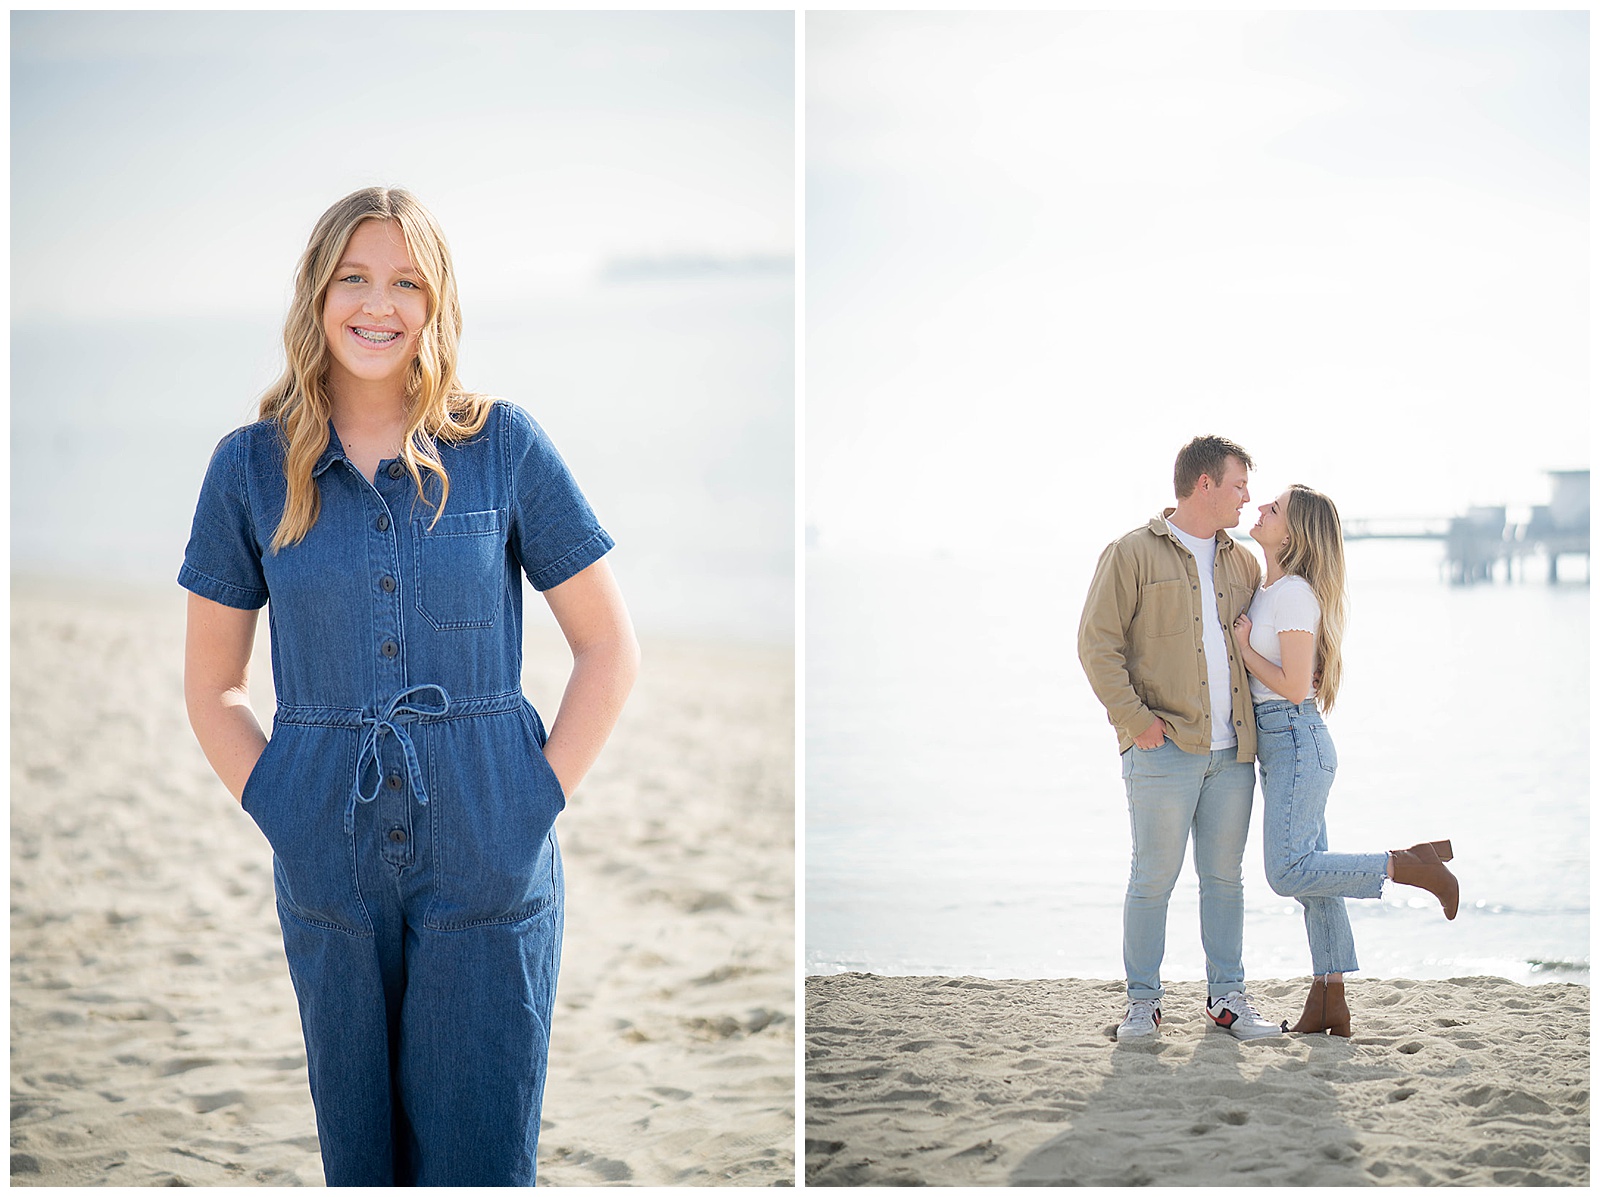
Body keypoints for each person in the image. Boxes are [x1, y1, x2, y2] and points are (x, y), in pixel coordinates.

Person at [180, 187, 640, 1184]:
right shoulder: (249, 469)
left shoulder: (503, 446)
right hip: (326, 854)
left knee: (478, 1161)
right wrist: (282, 807)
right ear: (316, 293)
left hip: (489, 843)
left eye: (405, 282)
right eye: (353, 277)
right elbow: (213, 685)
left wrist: (532, 799)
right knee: (361, 1162)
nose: (377, 304)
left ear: (437, 305)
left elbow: (607, 647)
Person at [1232, 484, 1457, 1038]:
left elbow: (1290, 686)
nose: (1261, 507)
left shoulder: (1293, 596)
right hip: (1287, 744)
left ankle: (1406, 866)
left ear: (1295, 532)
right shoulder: (1273, 589)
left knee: (1288, 873)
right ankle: (1329, 1000)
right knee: (1316, 881)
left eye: (1275, 508)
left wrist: (1244, 650)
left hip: (1295, 740)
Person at [1078, 436, 1282, 1042]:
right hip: (1162, 749)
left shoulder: (1242, 563)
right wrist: (1135, 722)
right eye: (1239, 485)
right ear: (1204, 485)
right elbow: (1097, 647)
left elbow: (1261, 640)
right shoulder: (1131, 553)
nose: (1247, 497)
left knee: (1225, 880)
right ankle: (1143, 1004)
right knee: (1153, 879)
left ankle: (1228, 1000)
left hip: (1233, 754)